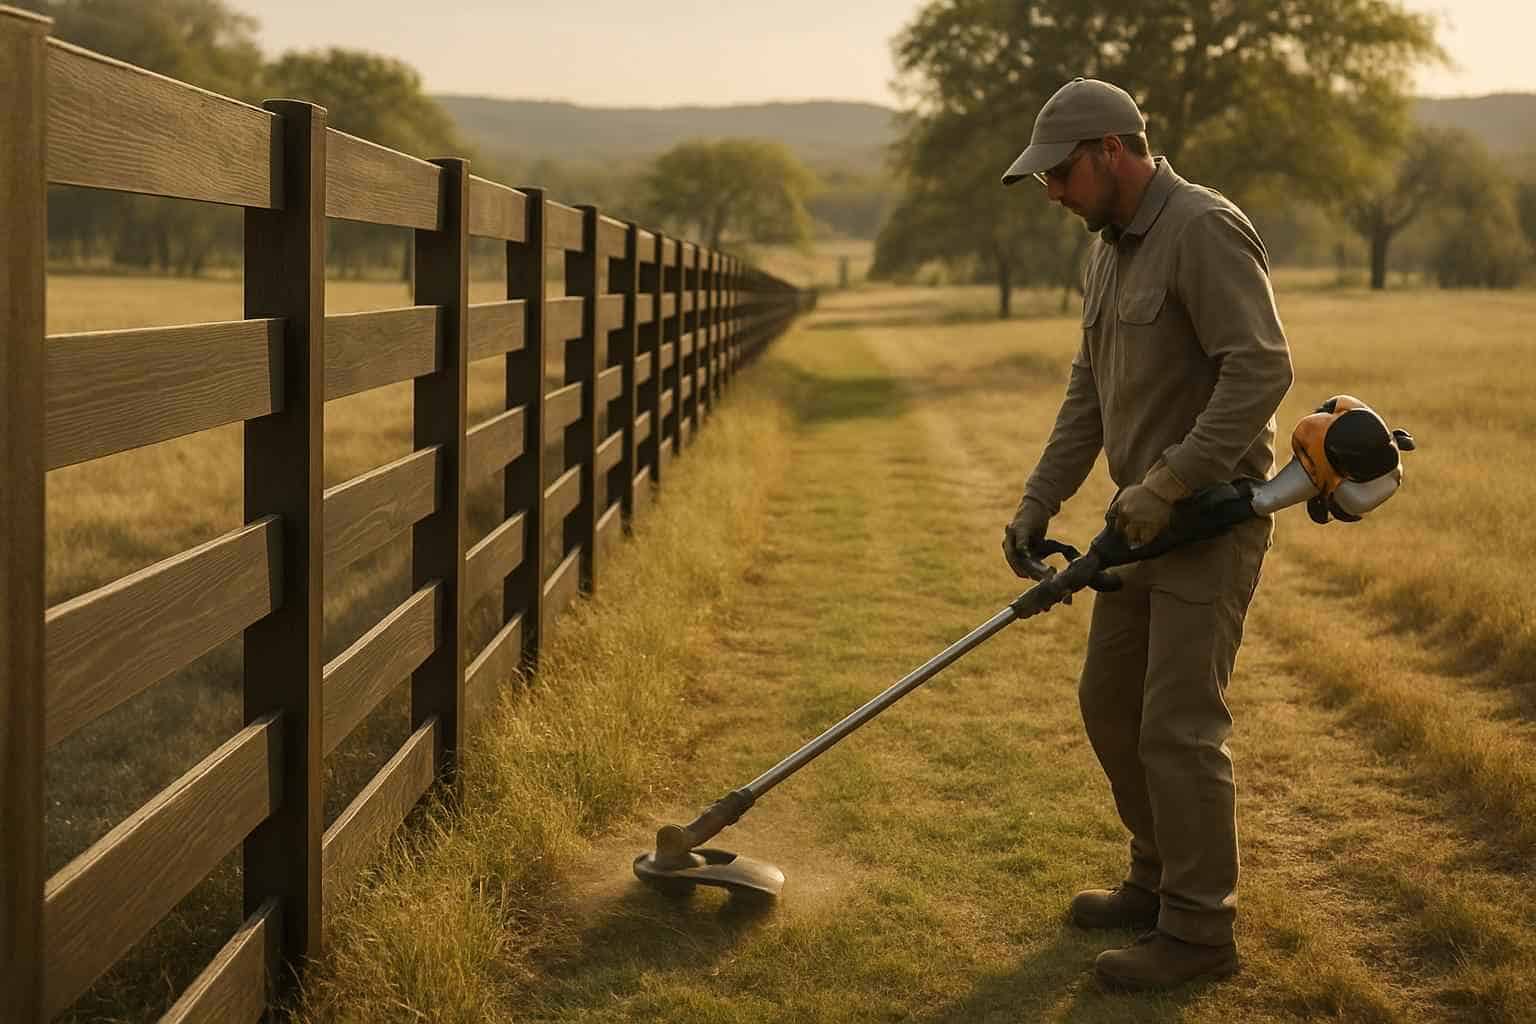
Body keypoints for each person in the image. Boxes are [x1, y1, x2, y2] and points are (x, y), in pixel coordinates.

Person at [998, 78, 1294, 991]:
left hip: (1208, 518)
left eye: (1060, 174)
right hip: (1140, 523)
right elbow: (1088, 393)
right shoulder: (1108, 249)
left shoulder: (1201, 229)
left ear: (1112, 152)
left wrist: (1169, 481)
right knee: (1109, 703)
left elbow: (1262, 370)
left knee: (1178, 726)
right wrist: (1038, 502)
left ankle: (1201, 932)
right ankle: (1157, 879)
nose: (1052, 192)